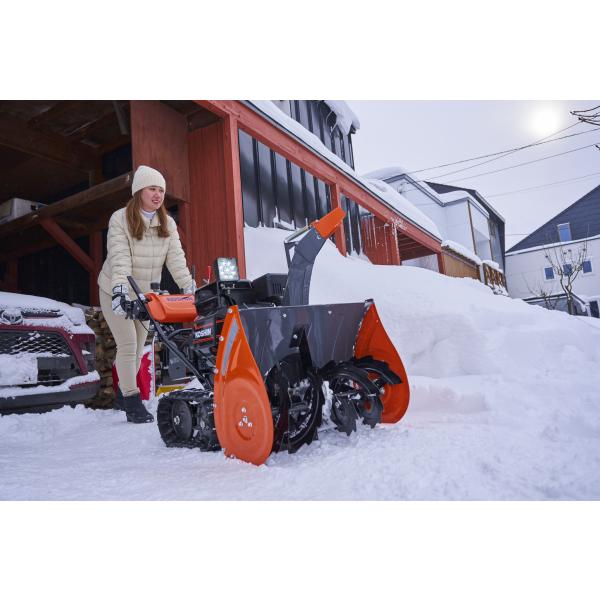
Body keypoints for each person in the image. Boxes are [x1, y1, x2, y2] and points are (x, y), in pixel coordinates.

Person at [98, 165, 194, 423]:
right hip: (114, 289)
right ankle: (132, 402)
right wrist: (120, 292)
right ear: (139, 191)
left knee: (138, 347)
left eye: (161, 190)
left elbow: (176, 259)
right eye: (152, 188)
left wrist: (188, 286)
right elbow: (119, 259)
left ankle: (121, 393)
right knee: (128, 344)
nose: (158, 194)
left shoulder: (167, 223)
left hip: (143, 295)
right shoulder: (120, 219)